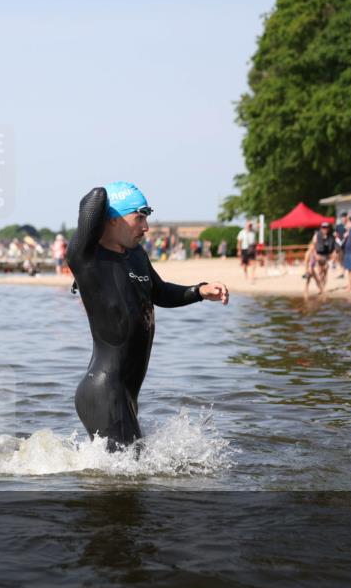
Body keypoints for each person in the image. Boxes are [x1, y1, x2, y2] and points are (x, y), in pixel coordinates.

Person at [66, 182, 229, 452]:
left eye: (147, 217)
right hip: (104, 392)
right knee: (130, 472)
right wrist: (111, 195)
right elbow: (93, 200)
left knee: (127, 470)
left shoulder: (136, 255)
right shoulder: (87, 258)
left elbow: (160, 292)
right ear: (113, 219)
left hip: (126, 394)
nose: (146, 227)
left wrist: (199, 291)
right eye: (139, 217)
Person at [303, 222, 338, 296]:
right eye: (323, 227)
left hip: (324, 256)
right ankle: (308, 287)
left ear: (328, 228)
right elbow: (313, 246)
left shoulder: (331, 237)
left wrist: (333, 257)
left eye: (326, 227)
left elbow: (334, 249)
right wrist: (315, 255)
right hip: (316, 256)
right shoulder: (317, 235)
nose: (325, 229)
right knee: (311, 271)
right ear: (321, 228)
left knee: (324, 271)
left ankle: (322, 287)